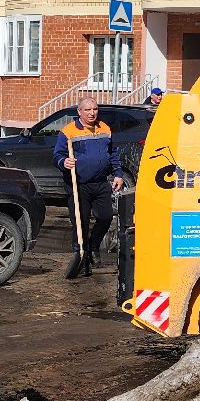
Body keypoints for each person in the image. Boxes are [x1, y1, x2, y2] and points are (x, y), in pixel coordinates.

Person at [56, 99, 127, 279]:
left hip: (100, 182)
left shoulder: (105, 128)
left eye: (95, 109)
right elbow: (57, 155)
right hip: (79, 184)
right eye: (87, 110)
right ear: (79, 112)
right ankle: (81, 258)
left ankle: (93, 246)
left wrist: (118, 173)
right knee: (81, 222)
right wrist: (64, 162)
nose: (92, 113)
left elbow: (112, 154)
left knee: (106, 217)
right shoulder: (68, 132)